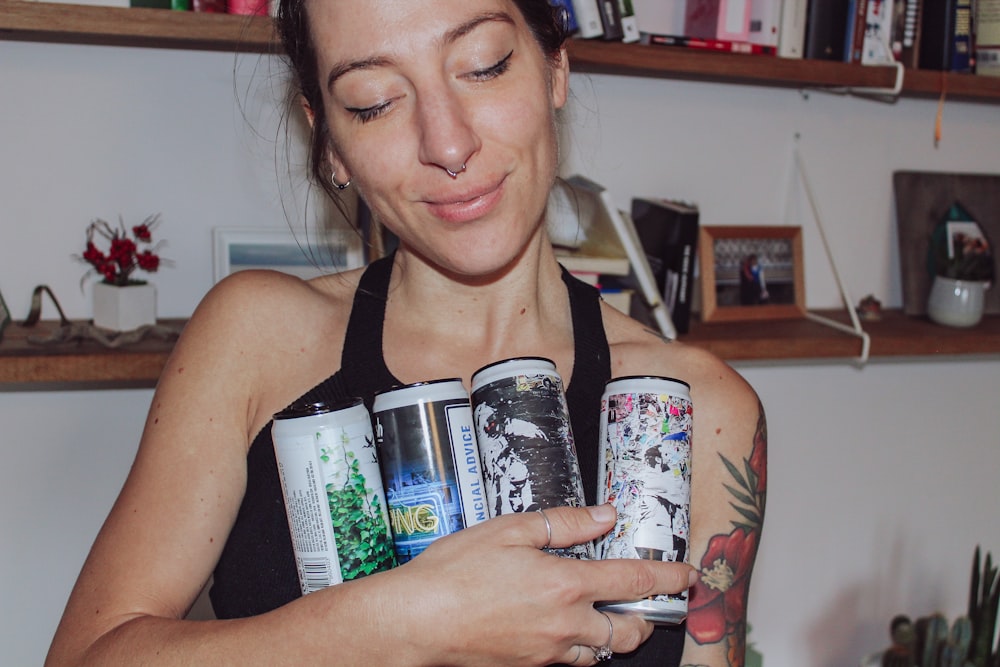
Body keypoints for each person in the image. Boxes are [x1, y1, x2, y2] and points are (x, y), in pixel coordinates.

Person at [45, 1, 766, 666]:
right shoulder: (257, 341)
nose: (448, 144)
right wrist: (404, 619)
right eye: (374, 102)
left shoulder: (700, 410)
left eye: (484, 65)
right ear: (328, 140)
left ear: (556, 68)